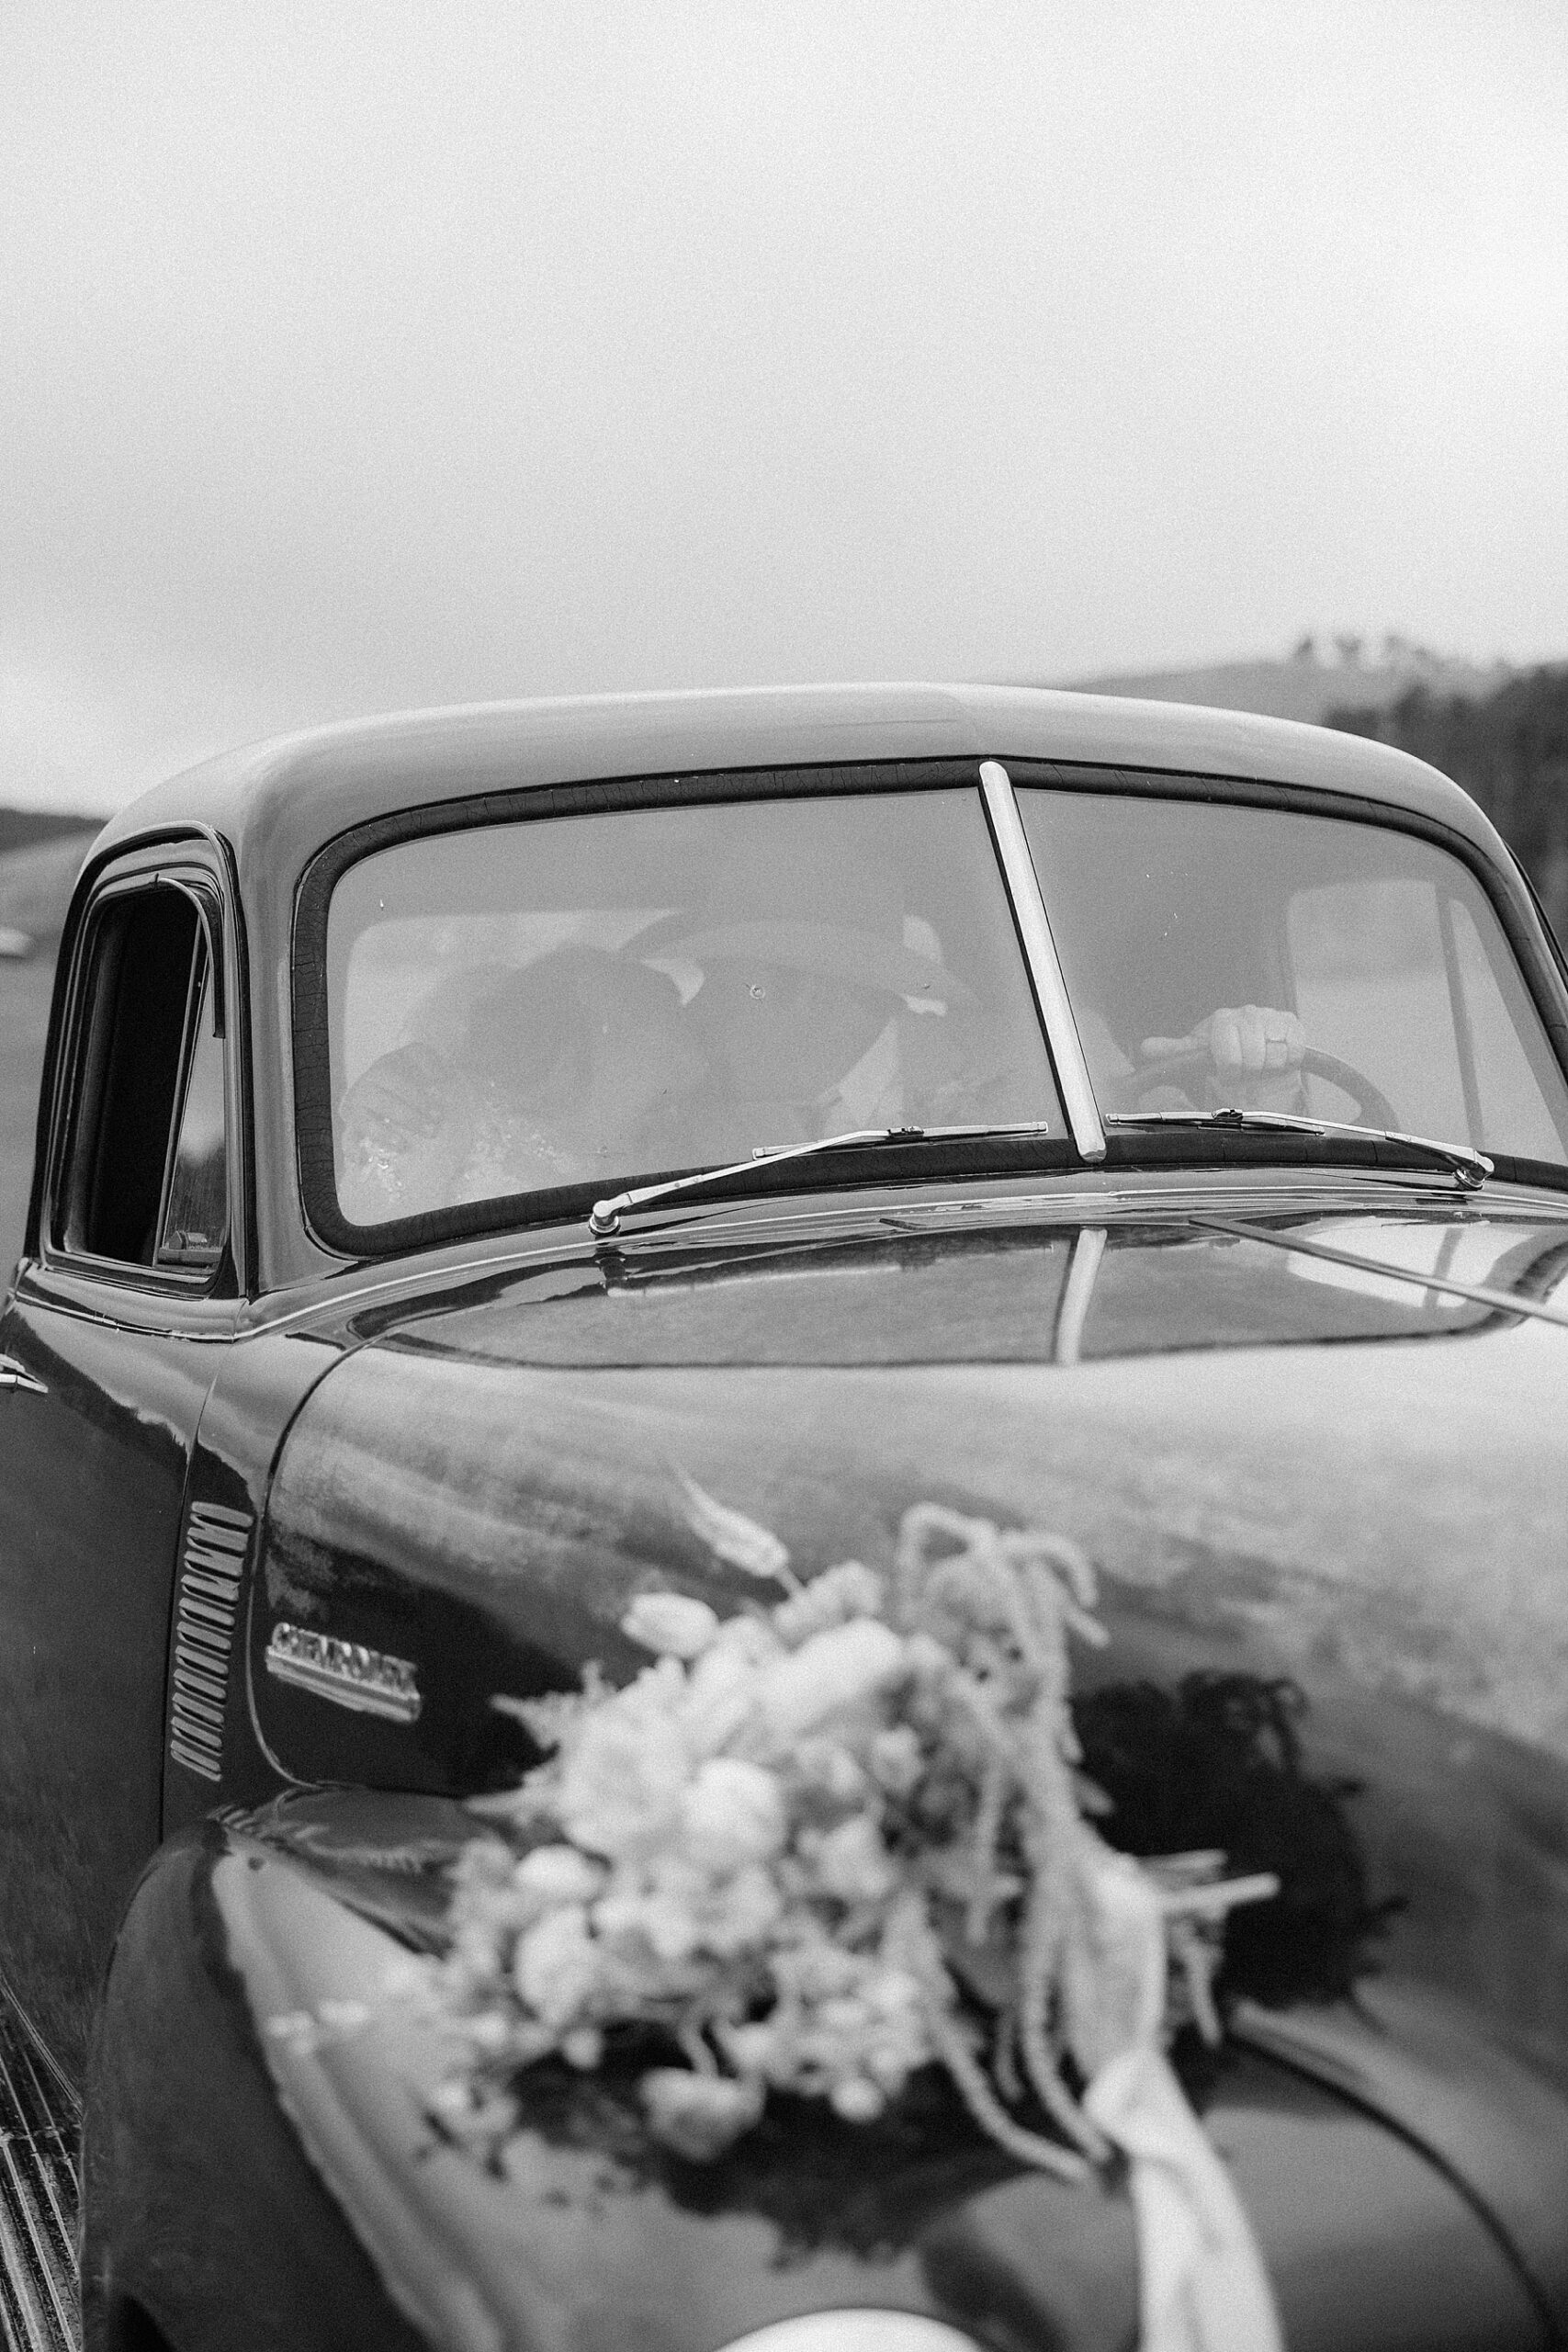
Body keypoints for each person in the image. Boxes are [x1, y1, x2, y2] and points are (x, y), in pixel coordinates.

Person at [336, 944, 705, 1223]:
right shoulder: (432, 1115)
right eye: (664, 1020)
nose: (694, 1053)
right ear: (606, 1028)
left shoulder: (680, 1136)